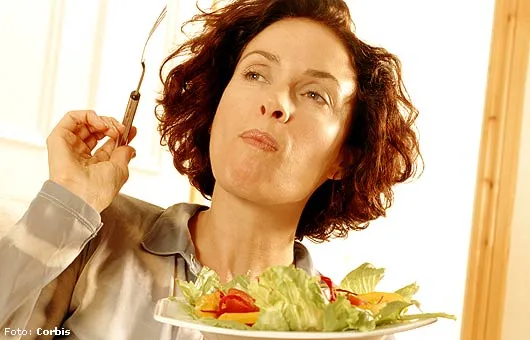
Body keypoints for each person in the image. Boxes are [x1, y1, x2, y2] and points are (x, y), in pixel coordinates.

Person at [0, 0, 421, 339]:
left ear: (345, 156)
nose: (276, 103)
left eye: (315, 94)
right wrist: (68, 202)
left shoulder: (340, 328)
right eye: (256, 73)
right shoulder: (97, 234)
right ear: (215, 104)